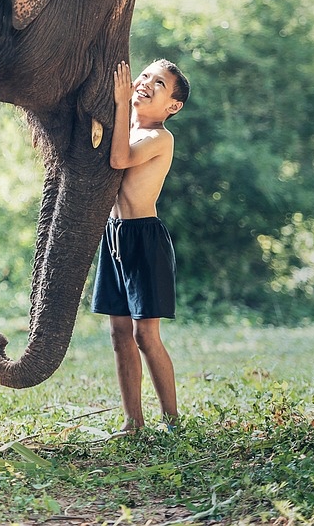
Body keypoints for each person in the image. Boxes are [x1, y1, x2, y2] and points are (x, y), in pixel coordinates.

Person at [93, 58, 190, 434]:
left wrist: (119, 104)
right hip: (114, 235)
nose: (145, 83)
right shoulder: (127, 127)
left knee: (145, 335)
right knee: (119, 334)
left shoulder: (159, 137)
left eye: (159, 84)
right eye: (145, 75)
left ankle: (173, 421)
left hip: (144, 239)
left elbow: (119, 159)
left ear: (173, 106)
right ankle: (133, 422)